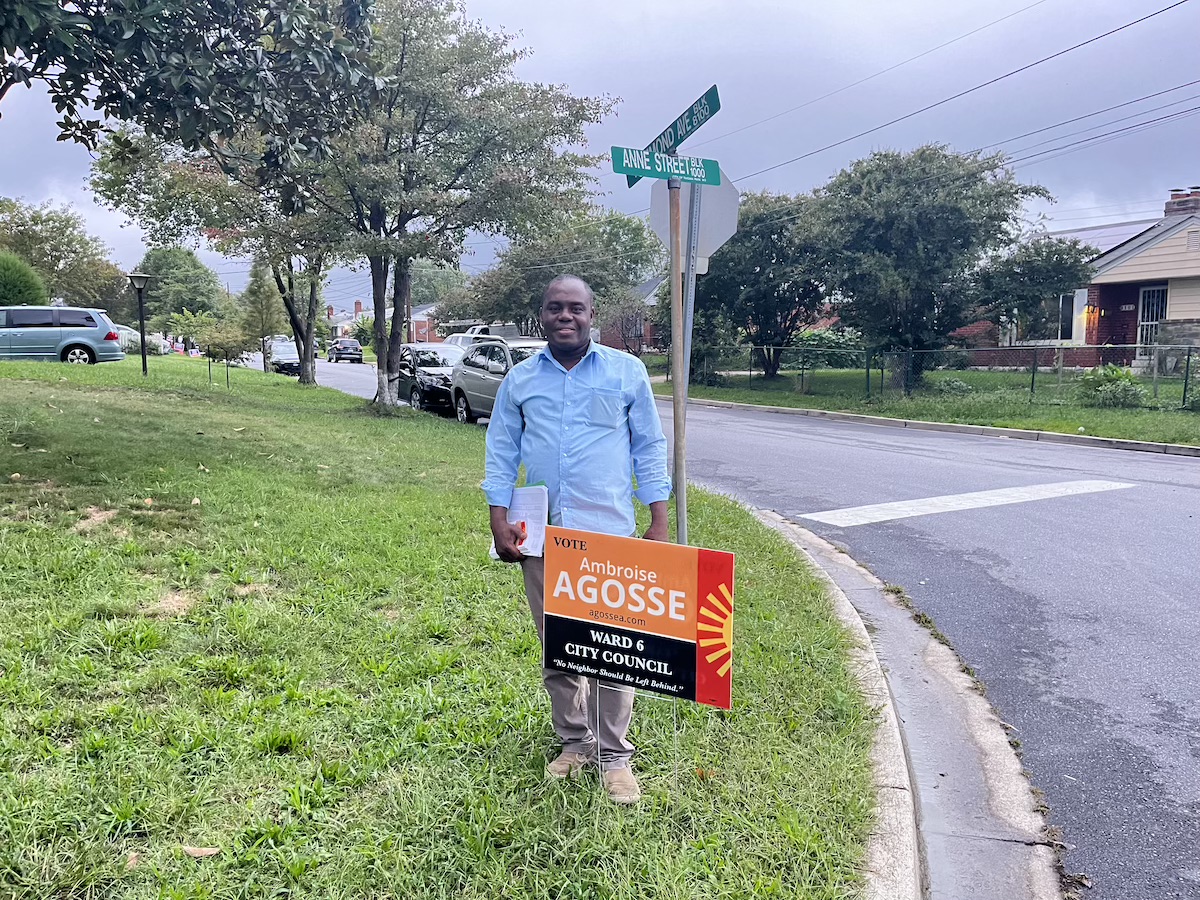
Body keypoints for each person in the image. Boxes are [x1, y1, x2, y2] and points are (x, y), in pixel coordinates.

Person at [482, 274, 671, 805]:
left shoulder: (626, 372)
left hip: (609, 534)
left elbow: (648, 448)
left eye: (576, 308)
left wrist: (657, 520)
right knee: (558, 646)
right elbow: (501, 453)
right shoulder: (520, 381)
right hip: (541, 535)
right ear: (540, 315)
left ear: (592, 314)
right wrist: (498, 520)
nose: (565, 317)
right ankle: (575, 741)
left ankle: (614, 755)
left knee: (614, 650)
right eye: (554, 308)